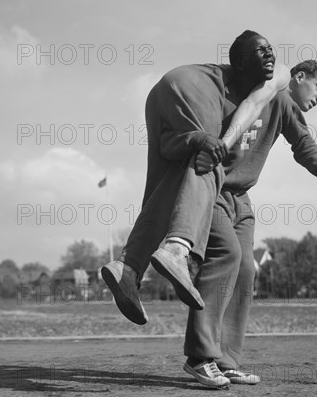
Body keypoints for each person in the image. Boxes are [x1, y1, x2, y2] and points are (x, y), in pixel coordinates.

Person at [101, 30, 290, 325]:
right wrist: (222, 144)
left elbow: (171, 146)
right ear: (238, 63)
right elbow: (254, 105)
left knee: (164, 186)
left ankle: (128, 267)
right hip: (192, 89)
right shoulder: (282, 76)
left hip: (163, 92)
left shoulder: (240, 81)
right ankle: (178, 249)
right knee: (210, 163)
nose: (269, 54)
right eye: (260, 50)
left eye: (270, 48)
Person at [182, 53, 317, 388]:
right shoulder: (258, 90)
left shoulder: (285, 108)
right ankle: (199, 357)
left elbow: (302, 142)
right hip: (210, 188)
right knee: (226, 255)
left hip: (241, 198)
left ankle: (225, 361)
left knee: (245, 271)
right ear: (297, 77)